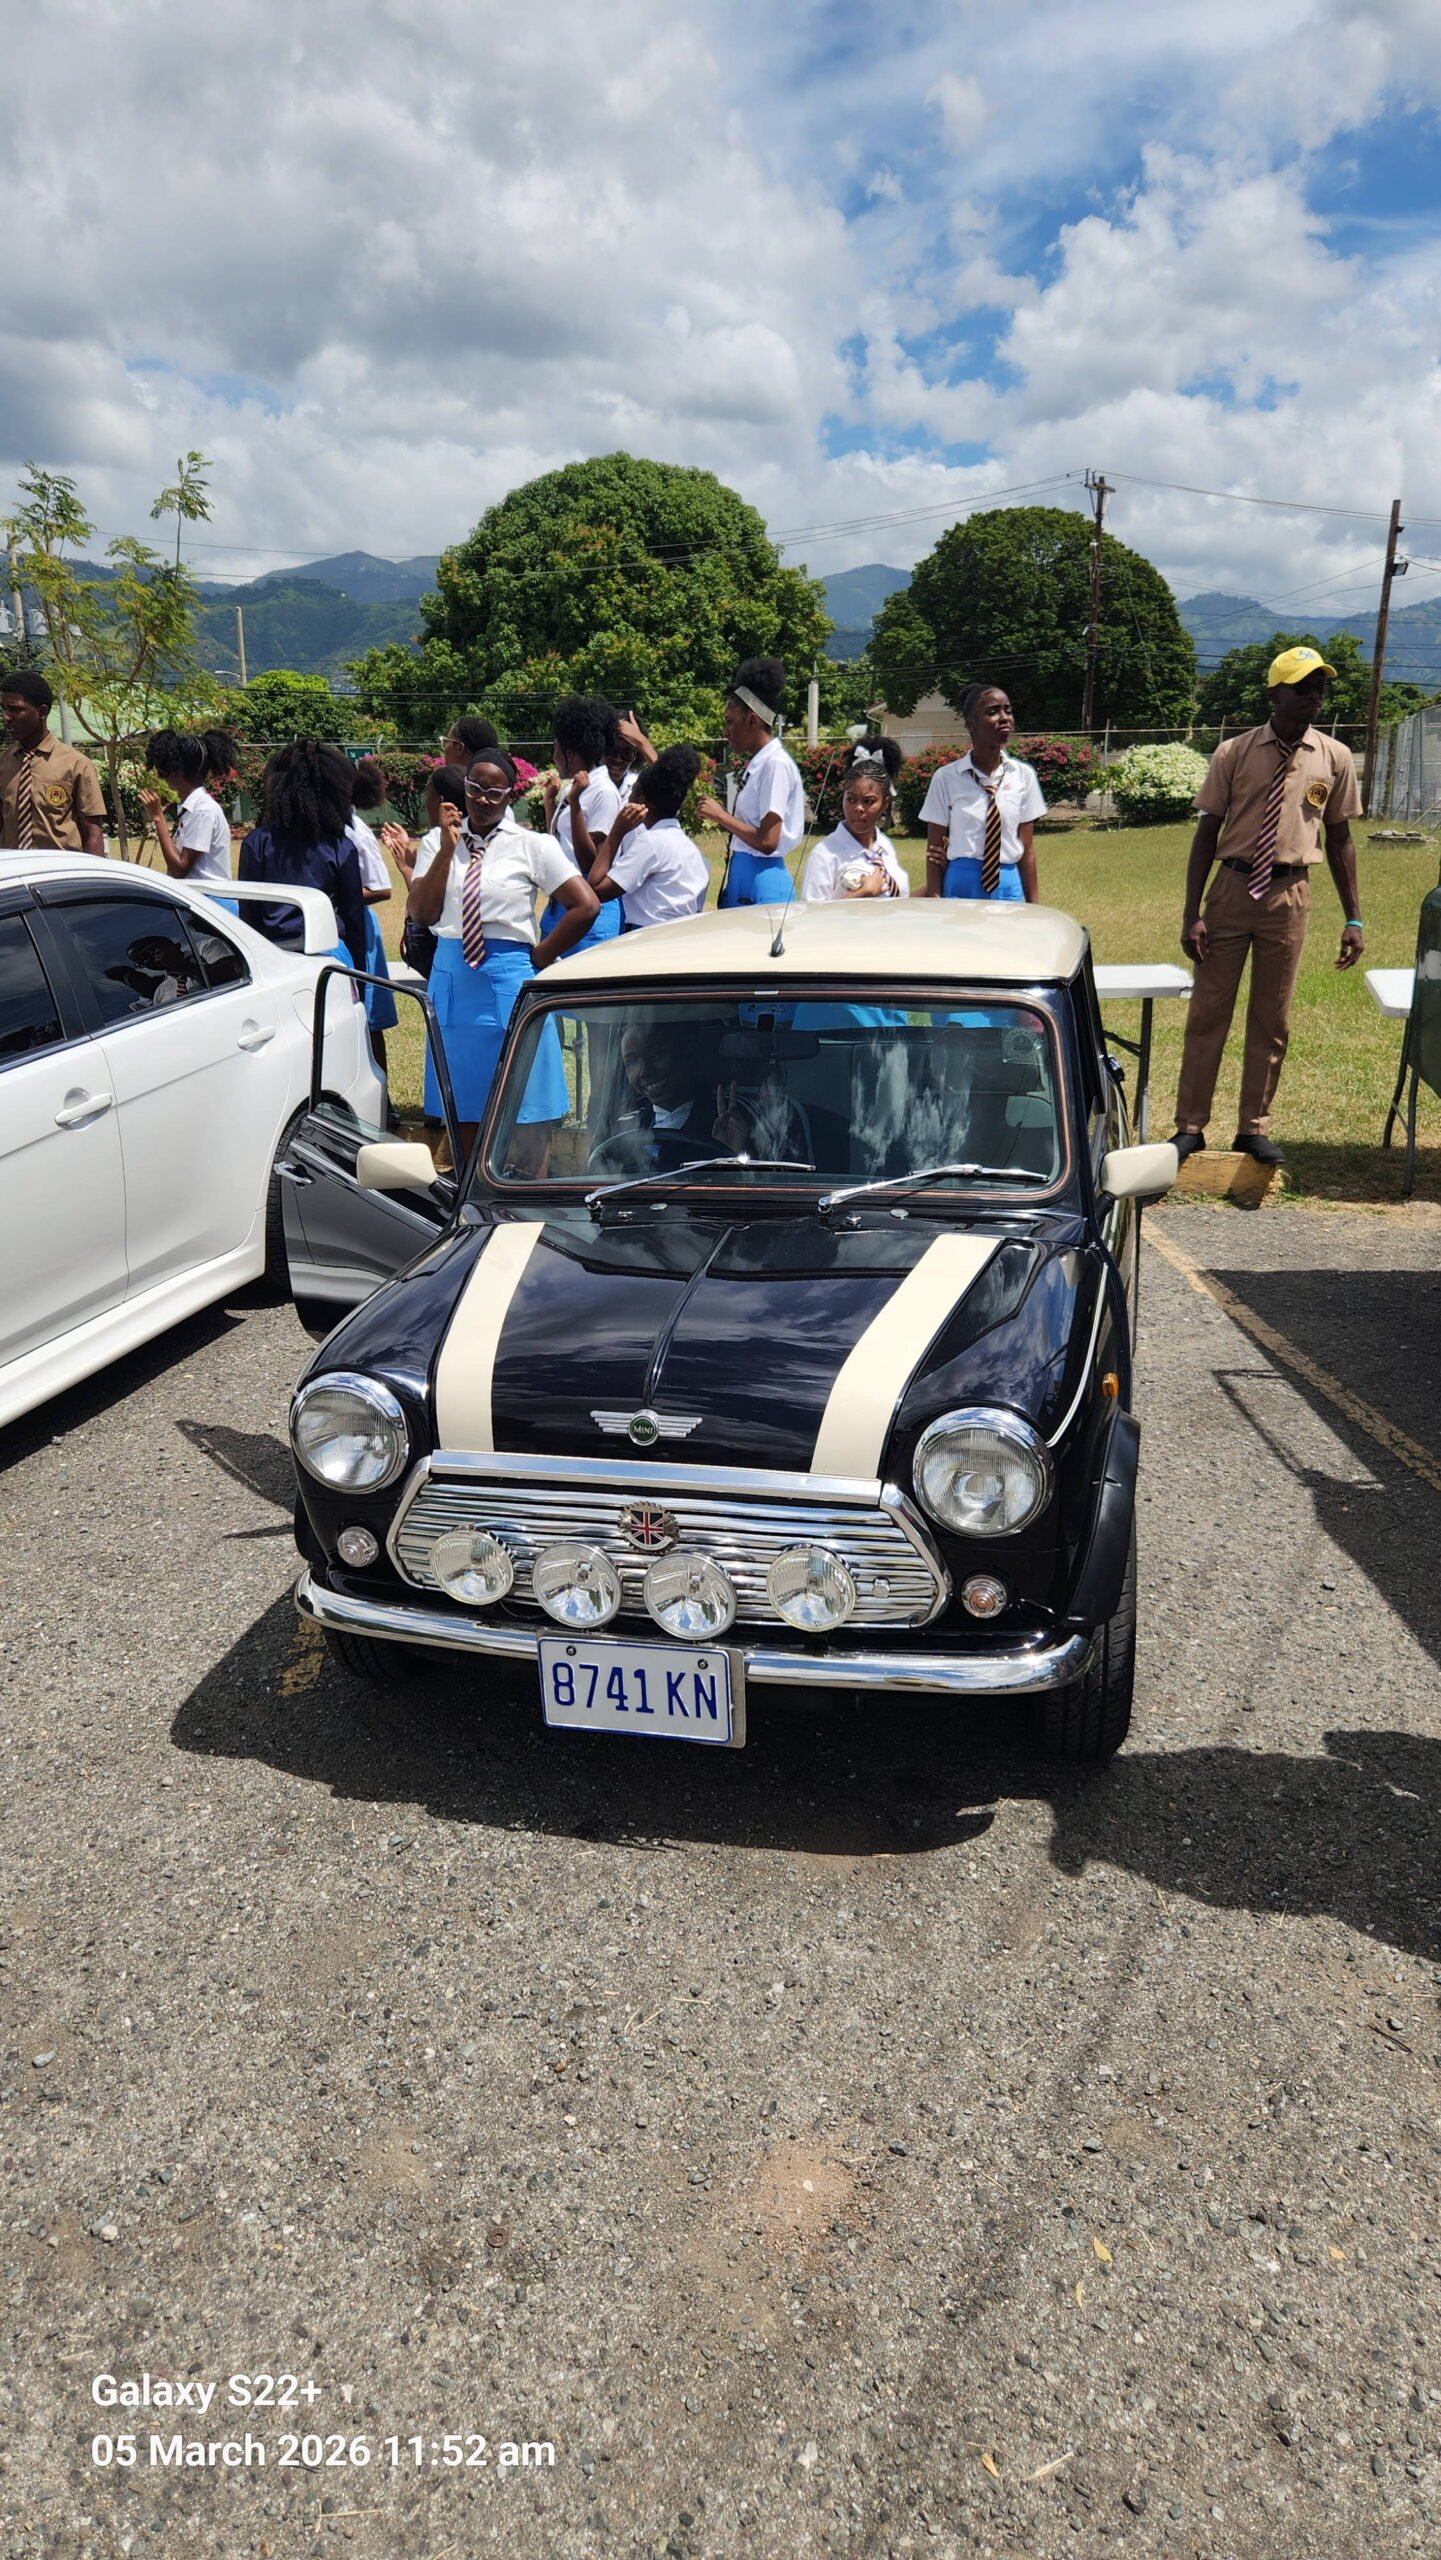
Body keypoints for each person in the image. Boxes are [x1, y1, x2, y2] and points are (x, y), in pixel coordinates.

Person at [1170, 646, 1364, 1168]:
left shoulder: (1334, 757)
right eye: (1302, 686)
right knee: (1208, 1012)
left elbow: (1340, 839)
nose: (1314, 695)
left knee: (1271, 1018)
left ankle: (1252, 1128)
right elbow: (1207, 833)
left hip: (1289, 895)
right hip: (1232, 889)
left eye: (1319, 686)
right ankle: (1190, 1127)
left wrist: (1353, 917)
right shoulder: (1233, 752)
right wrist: (1192, 912)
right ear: (1275, 693)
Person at [406, 748, 598, 1157]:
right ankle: (469, 1193)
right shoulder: (437, 842)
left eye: (495, 792)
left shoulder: (533, 845)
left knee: (528, 1108)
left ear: (510, 794)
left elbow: (585, 905)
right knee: (464, 1112)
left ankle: (527, 1191)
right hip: (455, 984)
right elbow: (421, 913)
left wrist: (540, 957)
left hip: (510, 977)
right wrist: (446, 850)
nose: (482, 799)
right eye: (475, 788)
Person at [237, 739, 367, 971]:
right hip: (330, 958)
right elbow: (354, 918)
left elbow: (249, 915)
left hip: (274, 956)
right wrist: (359, 974)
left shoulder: (257, 843)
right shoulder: (340, 847)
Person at [919, 685, 1044, 902]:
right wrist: (936, 900)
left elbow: (1027, 850)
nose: (1004, 718)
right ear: (971, 724)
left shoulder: (1023, 776)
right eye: (993, 712)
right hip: (961, 885)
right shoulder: (946, 778)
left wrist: (1035, 907)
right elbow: (934, 850)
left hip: (1007, 886)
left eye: (1008, 710)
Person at [697, 657, 805, 906]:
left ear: (753, 720)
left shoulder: (775, 764)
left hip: (763, 881)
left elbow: (768, 841)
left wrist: (720, 816)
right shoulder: (760, 764)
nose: (726, 732)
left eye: (730, 721)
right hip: (746, 873)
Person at [537, 694, 623, 952]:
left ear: (569, 752)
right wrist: (550, 802)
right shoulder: (574, 787)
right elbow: (559, 843)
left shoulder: (603, 792)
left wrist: (574, 804)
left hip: (590, 913)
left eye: (556, 749)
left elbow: (591, 862)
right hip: (562, 902)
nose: (554, 756)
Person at [590, 745, 709, 929]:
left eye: (633, 790)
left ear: (641, 800)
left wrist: (616, 833)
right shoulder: (695, 853)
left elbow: (596, 888)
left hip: (648, 936)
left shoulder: (651, 842)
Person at [0, 669, 106, 853]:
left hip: (60, 869)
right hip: (14, 868)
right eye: (4, 709)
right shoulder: (3, 764)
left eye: (15, 709)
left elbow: (92, 834)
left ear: (42, 712)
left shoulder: (76, 765)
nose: (6, 717)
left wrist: (93, 871)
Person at [344, 772, 400, 1091]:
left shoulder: (357, 832)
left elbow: (381, 888)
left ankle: (382, 1097)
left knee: (370, 1018)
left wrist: (337, 894)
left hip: (361, 931)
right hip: (342, 927)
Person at [802, 744, 908, 902]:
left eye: (868, 801)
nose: (858, 808)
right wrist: (864, 893)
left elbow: (897, 900)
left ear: (884, 804)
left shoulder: (884, 846)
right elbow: (813, 913)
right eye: (851, 799)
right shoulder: (825, 855)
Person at [138, 731, 233, 882]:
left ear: (176, 771)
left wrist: (158, 817)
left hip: (207, 896)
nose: (163, 775)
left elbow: (179, 869)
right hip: (195, 895)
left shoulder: (203, 810)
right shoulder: (191, 808)